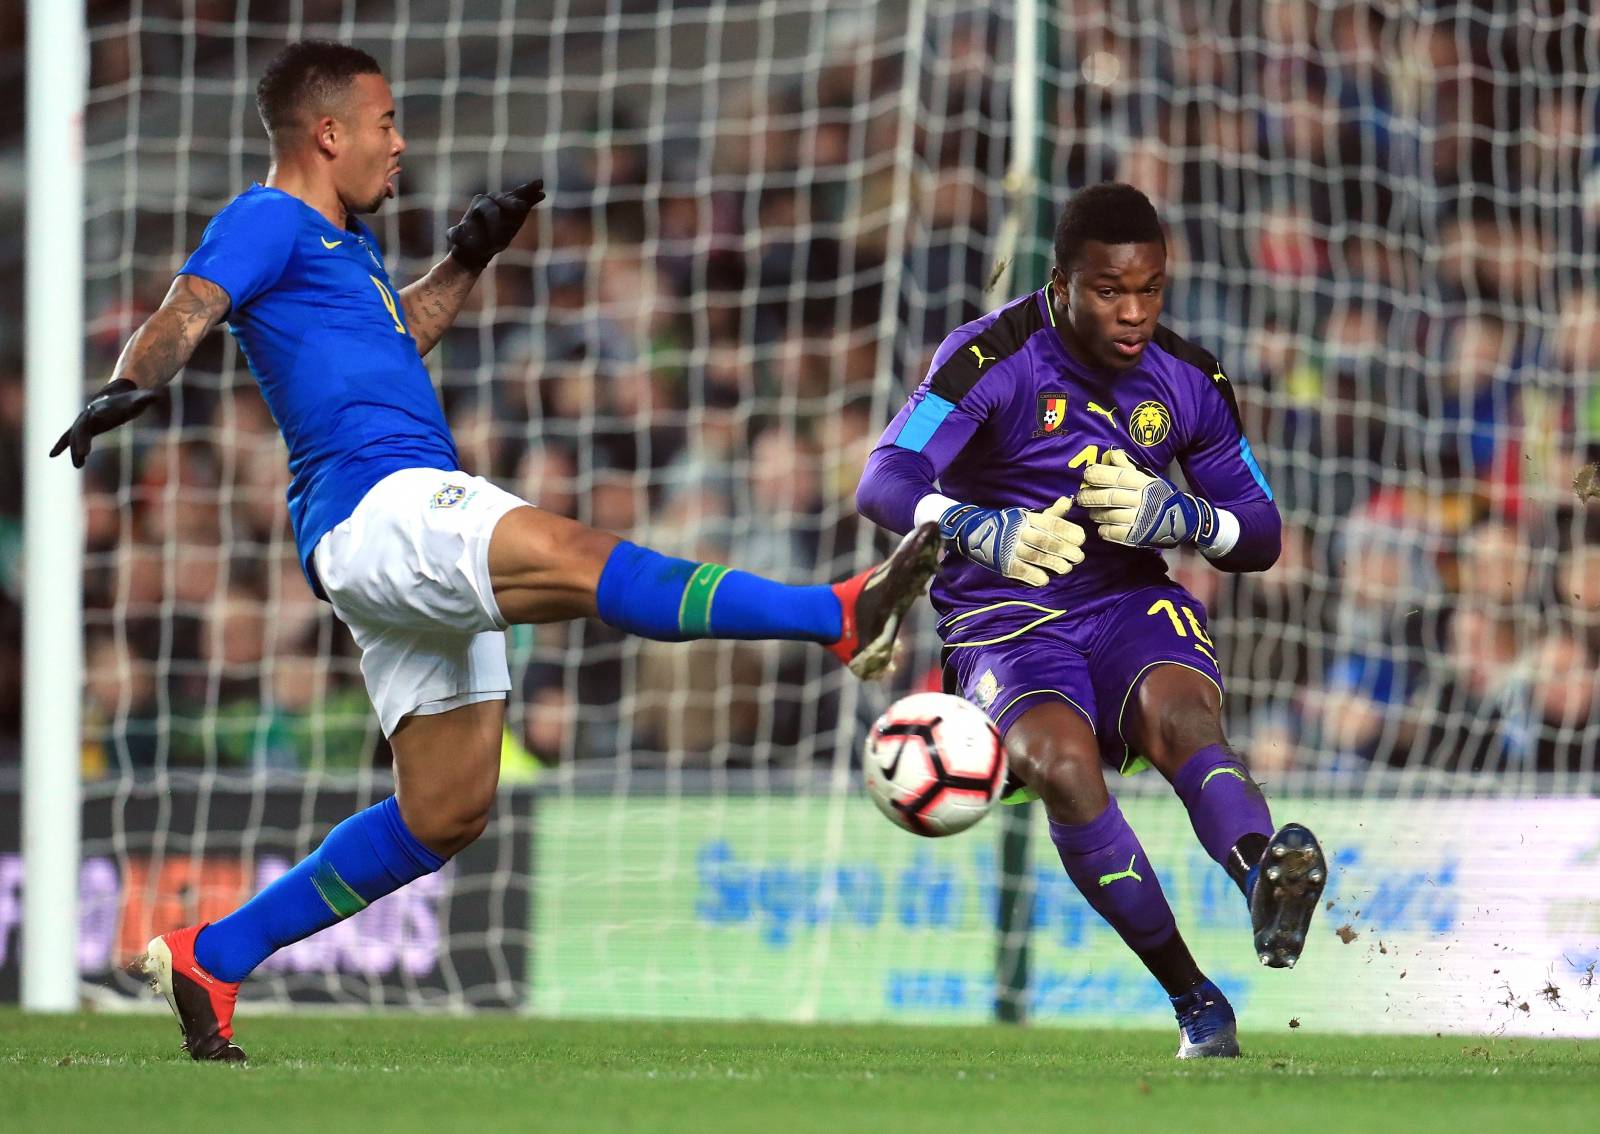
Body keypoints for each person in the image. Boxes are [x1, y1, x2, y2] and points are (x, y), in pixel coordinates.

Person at [51, 41, 938, 1062]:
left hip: (378, 532)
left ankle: (214, 955)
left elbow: (397, 338)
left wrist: (468, 259)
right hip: (373, 505)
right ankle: (833, 616)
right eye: (384, 123)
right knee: (569, 549)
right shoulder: (265, 219)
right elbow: (186, 310)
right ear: (327, 132)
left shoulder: (343, 247)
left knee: (447, 809)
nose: (400, 142)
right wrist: (132, 381)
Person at [855, 182, 1327, 1058]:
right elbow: (882, 476)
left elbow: (1259, 531)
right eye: (1111, 291)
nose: (1135, 312)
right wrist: (972, 526)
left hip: (1125, 600)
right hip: (1002, 615)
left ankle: (1264, 871)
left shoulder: (1192, 379)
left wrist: (1185, 519)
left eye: (1150, 289)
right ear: (1062, 283)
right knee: (1064, 768)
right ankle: (1196, 1002)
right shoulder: (987, 357)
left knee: (1185, 721)